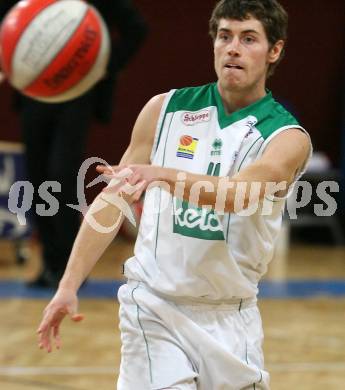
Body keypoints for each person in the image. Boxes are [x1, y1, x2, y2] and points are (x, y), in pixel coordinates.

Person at [37, 0, 312, 388]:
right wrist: (67, 286)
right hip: (154, 307)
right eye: (224, 36)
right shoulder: (163, 110)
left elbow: (238, 196)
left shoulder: (287, 137)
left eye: (248, 38)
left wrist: (161, 175)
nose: (233, 47)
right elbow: (112, 202)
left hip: (231, 315)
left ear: (275, 51)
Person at [0, 0, 148, 288]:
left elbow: (137, 29)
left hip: (76, 95)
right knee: (37, 177)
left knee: (62, 174)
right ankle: (50, 264)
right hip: (34, 94)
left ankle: (72, 270)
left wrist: (102, 65)